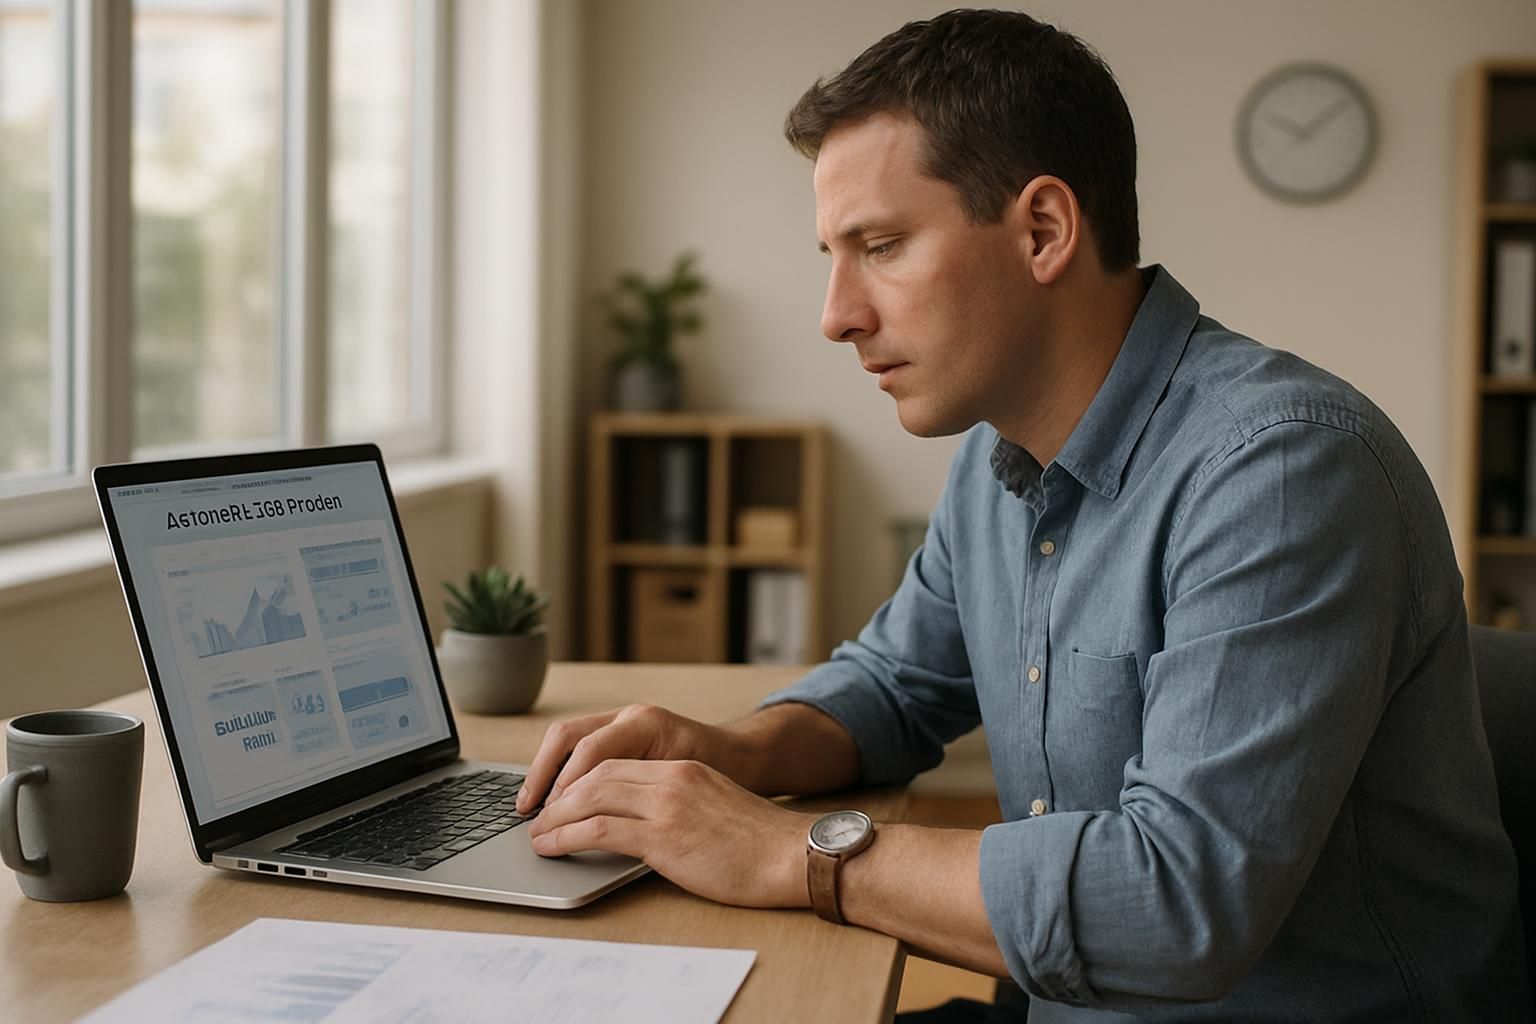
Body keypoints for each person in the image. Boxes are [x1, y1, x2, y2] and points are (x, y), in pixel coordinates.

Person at [515, 9, 1531, 1020]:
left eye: (880, 245)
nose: (837, 314)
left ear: (1043, 230)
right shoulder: (994, 466)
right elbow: (894, 688)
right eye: (833, 253)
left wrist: (786, 848)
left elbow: (1175, 904)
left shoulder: (1282, 471)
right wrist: (728, 752)